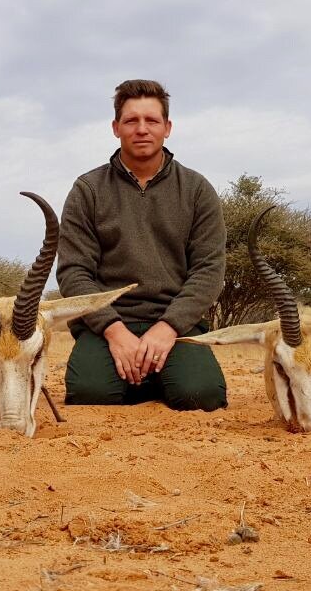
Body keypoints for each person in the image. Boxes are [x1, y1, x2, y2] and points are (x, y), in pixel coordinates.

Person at [56, 79, 227, 411]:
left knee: (201, 396)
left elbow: (208, 271)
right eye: (131, 121)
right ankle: (140, 374)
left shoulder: (196, 189)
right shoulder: (88, 189)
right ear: (116, 128)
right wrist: (114, 331)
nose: (142, 129)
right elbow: (73, 273)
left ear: (168, 127)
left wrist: (168, 327)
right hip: (108, 323)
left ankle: (158, 373)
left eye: (152, 121)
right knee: (90, 395)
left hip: (175, 325)